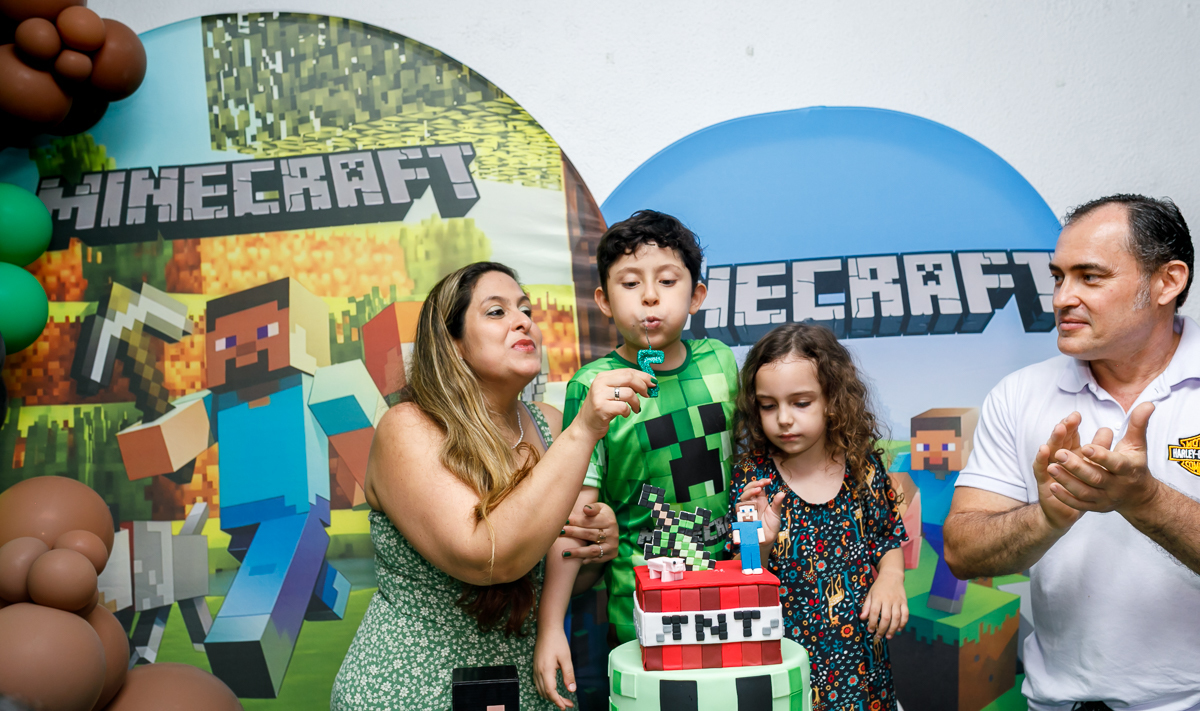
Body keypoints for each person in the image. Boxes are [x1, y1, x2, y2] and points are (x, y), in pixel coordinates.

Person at [331, 262, 652, 711]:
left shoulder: (549, 425)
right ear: (453, 344)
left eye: (526, 310)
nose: (523, 321)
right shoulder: (408, 428)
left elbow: (548, 575)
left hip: (530, 686)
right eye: (497, 312)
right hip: (414, 690)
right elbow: (489, 558)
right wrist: (584, 431)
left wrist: (595, 547)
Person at [943, 195, 1200, 711]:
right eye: (1058, 278)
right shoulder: (1019, 393)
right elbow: (962, 552)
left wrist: (1144, 500)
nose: (1062, 298)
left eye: (1090, 277)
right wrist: (1048, 515)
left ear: (1167, 282)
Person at [533, 210, 739, 709]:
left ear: (696, 295)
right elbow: (578, 521)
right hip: (642, 616)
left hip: (730, 603)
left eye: (667, 281)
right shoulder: (592, 386)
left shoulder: (721, 361)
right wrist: (551, 625)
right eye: (630, 283)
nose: (650, 296)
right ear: (604, 300)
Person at [733, 322, 908, 711]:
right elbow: (747, 575)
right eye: (768, 405)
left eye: (800, 402)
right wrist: (759, 543)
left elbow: (887, 537)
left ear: (832, 398)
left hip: (863, 667)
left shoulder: (862, 466)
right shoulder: (752, 478)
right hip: (789, 666)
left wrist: (892, 578)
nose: (783, 418)